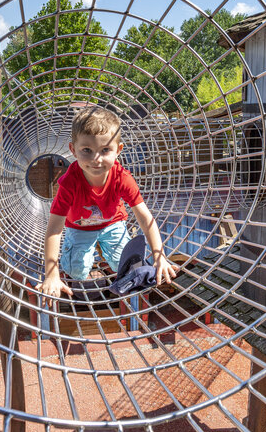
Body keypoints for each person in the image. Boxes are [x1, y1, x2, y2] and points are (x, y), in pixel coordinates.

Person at [37, 106, 178, 298]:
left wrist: (159, 255)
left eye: (105, 150)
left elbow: (145, 217)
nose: (96, 159)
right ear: (73, 150)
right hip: (79, 226)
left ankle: (103, 248)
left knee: (123, 264)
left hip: (112, 222)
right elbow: (54, 229)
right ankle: (90, 248)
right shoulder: (69, 183)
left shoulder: (121, 177)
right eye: (87, 150)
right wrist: (51, 274)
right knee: (76, 271)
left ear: (118, 150)